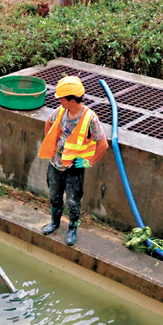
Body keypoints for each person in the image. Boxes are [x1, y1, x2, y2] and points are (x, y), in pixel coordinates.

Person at [37, 76, 108, 246]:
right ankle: (55, 222)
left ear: (71, 100)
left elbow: (103, 145)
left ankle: (72, 228)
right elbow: (48, 123)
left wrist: (89, 162)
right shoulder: (61, 111)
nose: (59, 100)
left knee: (73, 201)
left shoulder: (90, 119)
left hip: (74, 169)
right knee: (54, 195)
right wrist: (51, 143)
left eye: (61, 98)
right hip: (55, 164)